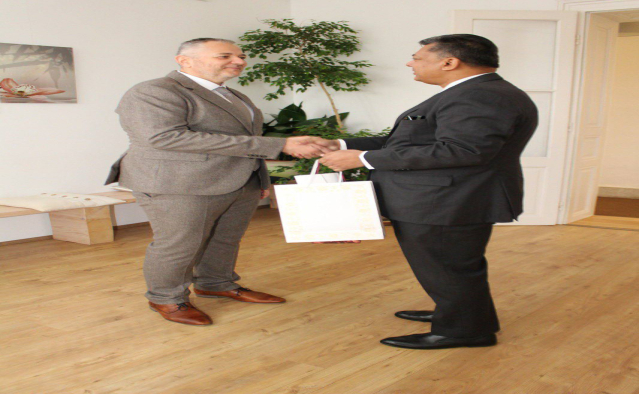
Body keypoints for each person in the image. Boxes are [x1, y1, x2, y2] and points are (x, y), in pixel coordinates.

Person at [318, 34, 538, 349]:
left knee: (448, 268)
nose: (410, 63)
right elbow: (410, 143)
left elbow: (463, 150)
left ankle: (463, 331)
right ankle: (458, 314)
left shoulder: (479, 96)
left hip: (448, 201)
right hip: (443, 198)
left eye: (418, 57)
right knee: (449, 267)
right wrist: (339, 144)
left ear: (449, 62)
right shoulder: (474, 92)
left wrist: (363, 159)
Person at [105, 38, 326, 326]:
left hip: (239, 181)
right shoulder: (153, 91)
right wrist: (279, 145)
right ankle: (165, 298)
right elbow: (164, 137)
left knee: (226, 238)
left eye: (241, 56)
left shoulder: (233, 95)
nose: (239, 61)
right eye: (225, 56)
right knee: (179, 245)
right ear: (184, 61)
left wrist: (259, 178)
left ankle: (216, 283)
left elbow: (245, 140)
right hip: (179, 183)